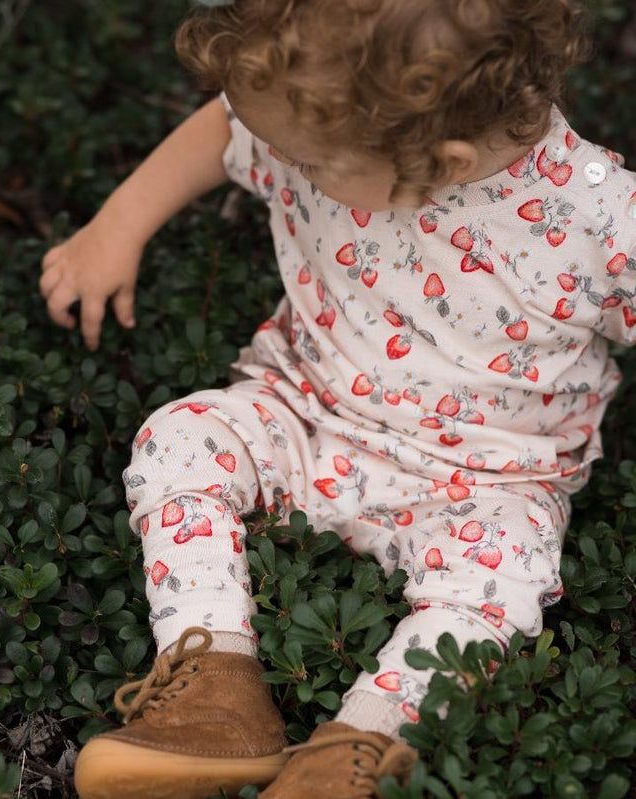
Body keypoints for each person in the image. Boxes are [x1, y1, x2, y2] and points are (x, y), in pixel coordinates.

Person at [39, 1, 636, 796]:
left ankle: (359, 747)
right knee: (181, 437)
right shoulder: (323, 118)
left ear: (444, 160)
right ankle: (216, 694)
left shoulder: (597, 216)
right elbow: (225, 131)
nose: (281, 163)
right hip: (305, 408)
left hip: (493, 479)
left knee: (505, 578)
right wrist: (117, 226)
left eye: (307, 164)